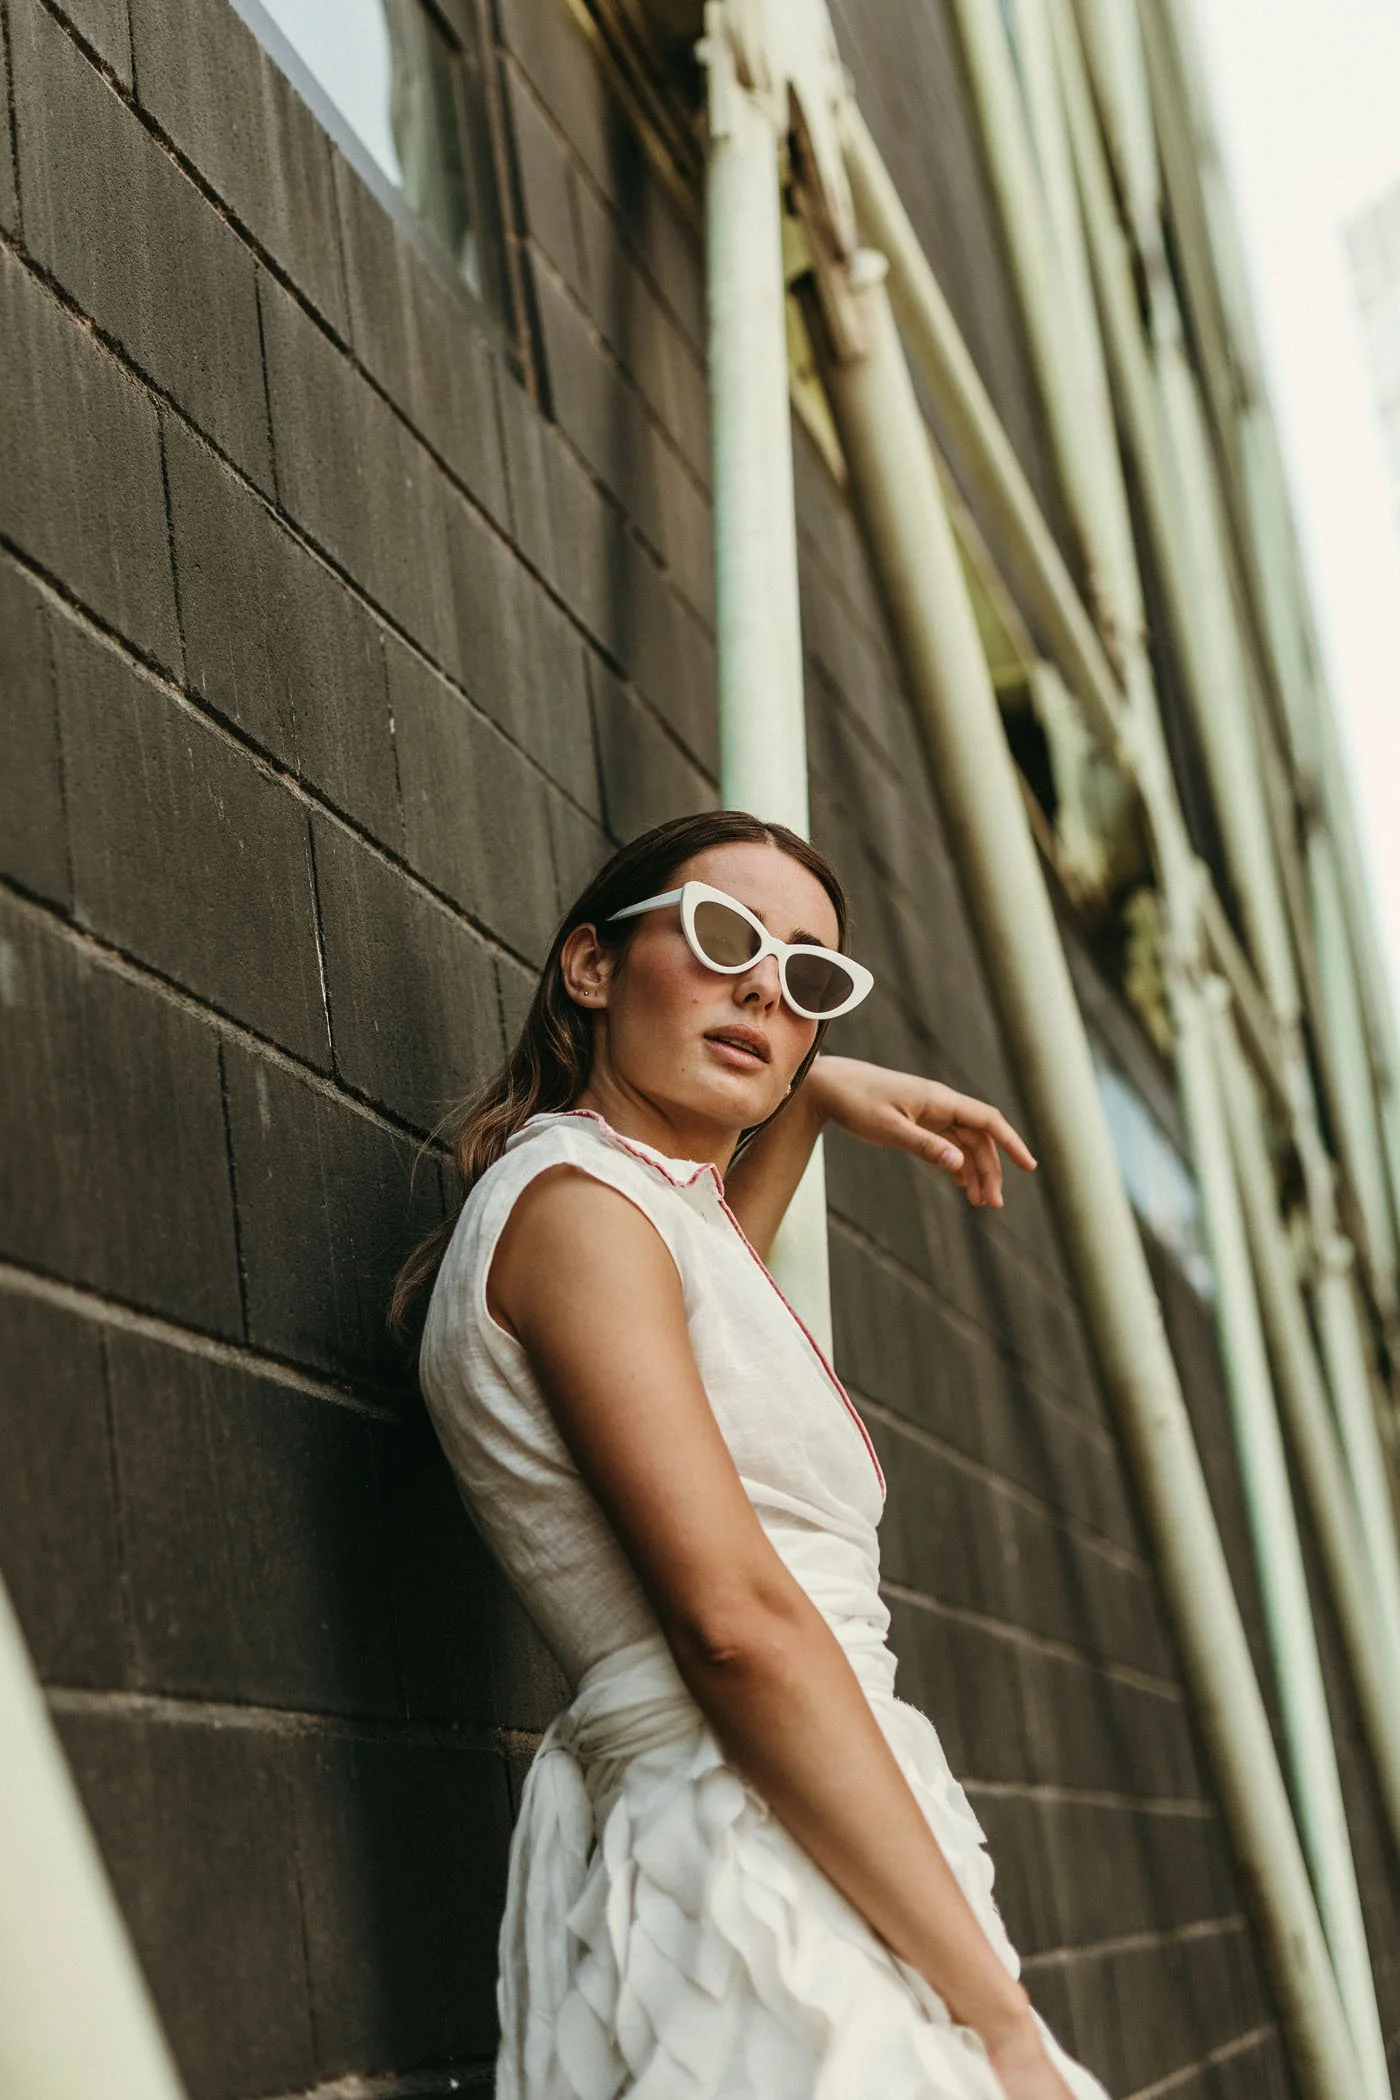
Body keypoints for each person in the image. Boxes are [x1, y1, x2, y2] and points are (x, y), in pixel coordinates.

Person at [394, 810, 1110, 2100]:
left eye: (808, 979)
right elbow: (736, 1624)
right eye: (724, 935)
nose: (763, 988)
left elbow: (712, 1266)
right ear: (591, 965)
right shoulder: (582, 1214)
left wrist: (812, 1094)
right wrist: (1002, 2024)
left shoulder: (643, 1214)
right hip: (745, 1842)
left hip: (796, 1824)